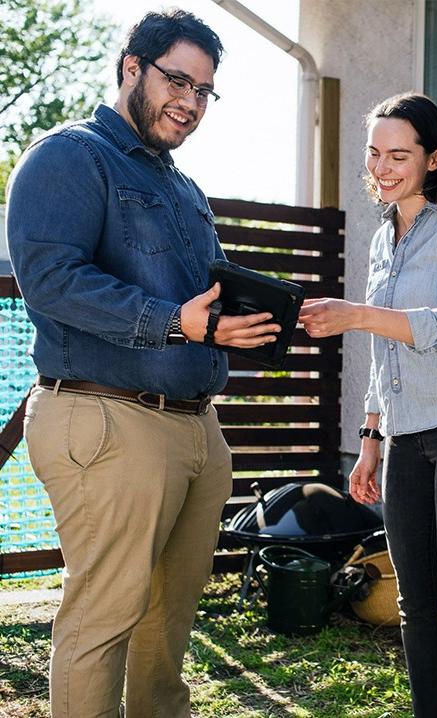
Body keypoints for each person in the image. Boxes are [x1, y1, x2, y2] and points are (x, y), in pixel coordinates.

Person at [6, 10, 280, 717]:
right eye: (177, 80)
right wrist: (172, 322)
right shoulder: (69, 156)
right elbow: (53, 281)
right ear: (132, 67)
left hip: (194, 429)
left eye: (204, 91)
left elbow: (192, 306)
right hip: (107, 419)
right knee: (103, 622)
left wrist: (230, 325)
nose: (189, 102)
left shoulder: (182, 188)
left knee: (167, 628)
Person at [299, 93, 437, 718]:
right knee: (415, 601)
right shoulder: (382, 238)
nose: (383, 167)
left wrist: (358, 313)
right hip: (405, 433)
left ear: (435, 158)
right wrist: (370, 437)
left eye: (399, 154)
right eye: (375, 153)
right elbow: (384, 352)